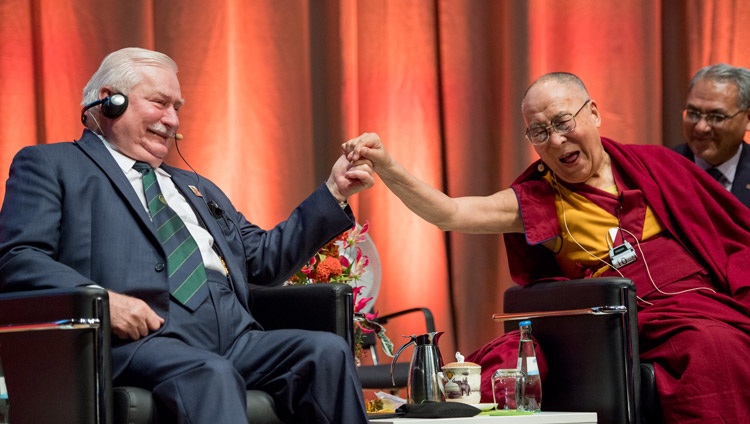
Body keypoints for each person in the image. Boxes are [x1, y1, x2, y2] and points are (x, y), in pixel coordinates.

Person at [344, 72, 750, 423]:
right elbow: (449, 212)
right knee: (710, 347)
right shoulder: (541, 199)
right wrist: (389, 167)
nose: (555, 140)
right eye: (539, 132)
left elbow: (731, 238)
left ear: (593, 113)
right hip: (634, 321)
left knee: (724, 340)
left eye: (562, 122)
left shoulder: (656, 166)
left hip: (705, 304)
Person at [0, 47, 377, 423]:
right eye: (160, 103)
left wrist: (334, 190)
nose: (173, 120)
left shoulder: (196, 187)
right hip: (139, 341)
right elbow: (17, 255)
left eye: (177, 107)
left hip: (236, 337)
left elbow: (263, 260)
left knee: (326, 351)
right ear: (109, 102)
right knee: (209, 373)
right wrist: (100, 300)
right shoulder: (53, 164)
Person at [674, 63, 750, 207]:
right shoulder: (662, 171)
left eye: (717, 117)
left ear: (748, 120)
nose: (701, 127)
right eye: (693, 114)